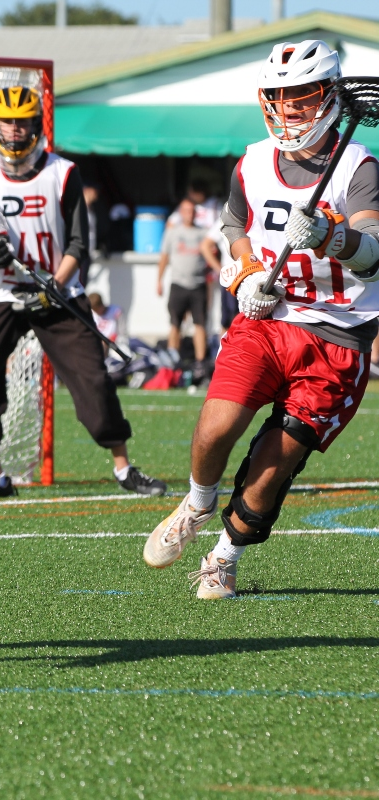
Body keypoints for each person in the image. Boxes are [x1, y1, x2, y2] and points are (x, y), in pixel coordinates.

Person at [143, 40, 379, 598]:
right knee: (215, 426)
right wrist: (247, 272)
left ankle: (224, 557)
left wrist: (331, 236)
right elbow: (234, 225)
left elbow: (373, 253)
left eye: (301, 96)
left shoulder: (359, 166)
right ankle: (197, 503)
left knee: (275, 463)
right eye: (278, 96)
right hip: (268, 320)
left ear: (328, 96)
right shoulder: (252, 161)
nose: (288, 108)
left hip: (337, 333)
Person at [0, 86, 167, 498]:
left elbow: (78, 243)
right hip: (5, 293)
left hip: (59, 294)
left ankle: (125, 469)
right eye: (6, 122)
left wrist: (54, 285)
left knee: (93, 382)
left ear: (36, 125)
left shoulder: (62, 173)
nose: (14, 130)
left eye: (21, 122)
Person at [156, 198, 210, 369]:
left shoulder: (204, 233)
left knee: (200, 324)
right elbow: (164, 257)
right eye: (186, 211)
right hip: (178, 284)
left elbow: (213, 254)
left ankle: (200, 363)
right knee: (175, 324)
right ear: (180, 213)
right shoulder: (172, 232)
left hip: (198, 284)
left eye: (192, 211)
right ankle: (172, 363)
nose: (189, 214)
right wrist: (159, 280)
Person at [200, 218, 240, 333]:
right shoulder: (227, 218)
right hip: (232, 278)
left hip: (254, 277)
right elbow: (205, 246)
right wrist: (220, 270)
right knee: (229, 321)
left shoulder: (257, 214)